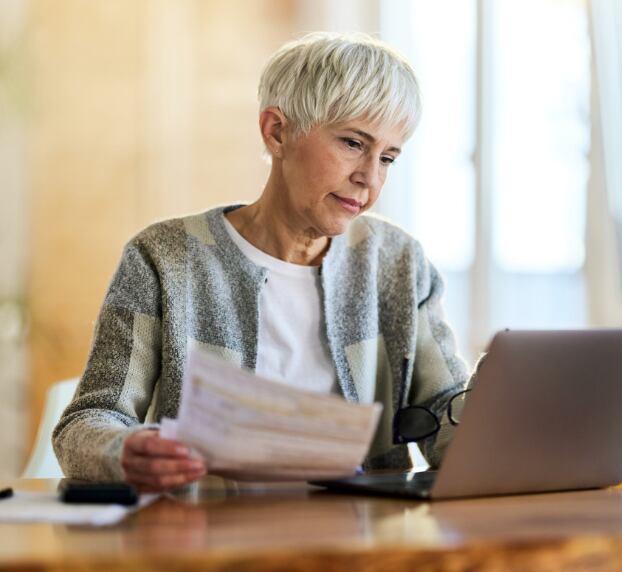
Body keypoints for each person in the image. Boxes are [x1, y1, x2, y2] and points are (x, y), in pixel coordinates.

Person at [53, 32, 469, 492]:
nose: (369, 179)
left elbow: (444, 409)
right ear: (277, 131)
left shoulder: (399, 263)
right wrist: (125, 451)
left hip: (364, 547)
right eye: (353, 143)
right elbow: (87, 422)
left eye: (387, 157)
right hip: (207, 545)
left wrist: (509, 418)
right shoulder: (163, 258)